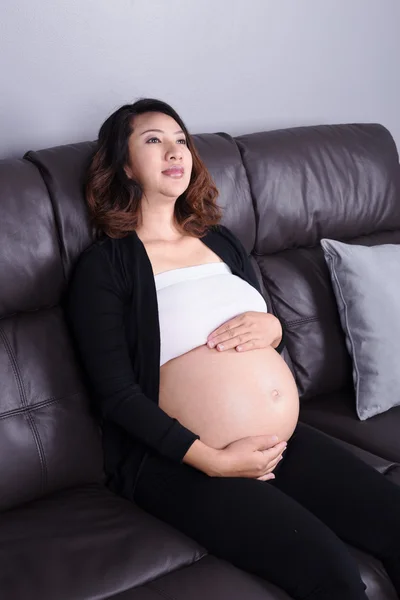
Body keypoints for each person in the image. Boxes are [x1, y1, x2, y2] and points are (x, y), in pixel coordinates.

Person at [66, 98, 400, 600]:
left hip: (280, 443)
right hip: (180, 463)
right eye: (153, 140)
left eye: (181, 140)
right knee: (334, 575)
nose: (174, 150)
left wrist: (273, 328)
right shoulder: (106, 267)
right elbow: (116, 396)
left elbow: (263, 327)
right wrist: (213, 461)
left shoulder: (221, 242)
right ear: (125, 166)